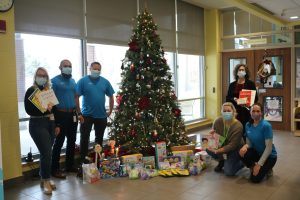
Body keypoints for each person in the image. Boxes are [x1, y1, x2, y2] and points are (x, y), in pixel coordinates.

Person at [24, 67, 59, 195]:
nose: (42, 77)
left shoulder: (48, 91)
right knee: (46, 152)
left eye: (44, 75)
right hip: (37, 123)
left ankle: (44, 177)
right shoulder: (31, 91)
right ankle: (46, 180)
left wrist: (57, 125)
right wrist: (44, 108)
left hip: (50, 122)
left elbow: (54, 110)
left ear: (47, 78)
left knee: (47, 153)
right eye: (39, 75)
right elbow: (28, 110)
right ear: (35, 76)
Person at [76, 61, 115, 166]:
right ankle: (83, 161)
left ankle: (98, 161)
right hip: (86, 116)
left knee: (99, 139)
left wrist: (110, 110)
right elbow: (76, 96)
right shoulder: (83, 81)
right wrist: (79, 113)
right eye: (94, 69)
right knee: (84, 138)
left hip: (101, 116)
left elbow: (111, 96)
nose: (96, 71)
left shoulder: (105, 82)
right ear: (90, 69)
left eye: (98, 69)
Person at [51, 59, 78, 178]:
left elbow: (76, 98)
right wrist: (54, 120)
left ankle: (69, 166)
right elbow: (50, 102)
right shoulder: (54, 81)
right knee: (59, 142)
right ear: (60, 67)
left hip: (72, 114)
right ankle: (55, 169)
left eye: (70, 66)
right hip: (60, 114)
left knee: (72, 141)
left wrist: (79, 113)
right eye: (65, 66)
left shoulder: (73, 81)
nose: (68, 67)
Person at [239, 103, 277, 183]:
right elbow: (249, 143)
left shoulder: (266, 126)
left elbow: (269, 148)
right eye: (253, 111)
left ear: (261, 113)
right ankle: (253, 166)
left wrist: (259, 164)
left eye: (258, 111)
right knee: (242, 153)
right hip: (258, 153)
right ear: (250, 112)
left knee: (255, 179)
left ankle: (268, 169)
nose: (255, 113)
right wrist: (245, 146)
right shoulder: (248, 125)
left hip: (270, 156)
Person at [206, 102, 244, 176]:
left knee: (229, 172)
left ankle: (242, 162)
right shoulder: (217, 121)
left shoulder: (238, 126)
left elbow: (232, 145)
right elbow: (214, 138)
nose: (226, 113)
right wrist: (210, 136)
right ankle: (222, 161)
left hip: (235, 148)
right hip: (222, 144)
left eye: (229, 111)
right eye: (224, 111)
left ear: (233, 112)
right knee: (208, 148)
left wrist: (218, 151)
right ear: (221, 112)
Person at [226, 64, 258, 134]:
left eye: (242, 70)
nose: (241, 71)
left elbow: (255, 98)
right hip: (235, 111)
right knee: (235, 130)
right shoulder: (232, 85)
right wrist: (234, 99)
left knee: (246, 131)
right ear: (236, 72)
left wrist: (248, 103)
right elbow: (228, 98)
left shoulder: (251, 84)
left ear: (246, 72)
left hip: (246, 111)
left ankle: (246, 143)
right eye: (239, 70)